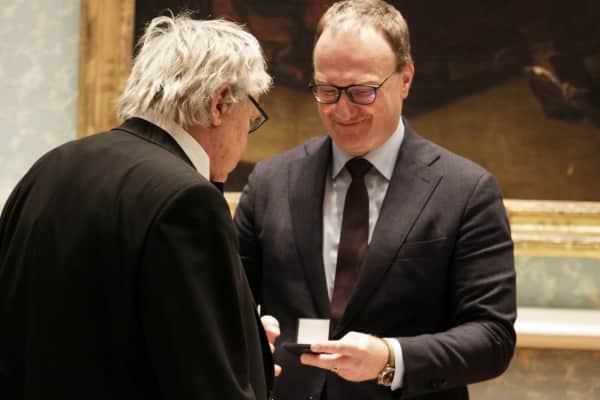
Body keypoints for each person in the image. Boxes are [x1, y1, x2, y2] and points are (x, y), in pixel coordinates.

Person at [233, 1, 516, 399]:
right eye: (327, 91)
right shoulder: (270, 181)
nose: (342, 110)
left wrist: (390, 358)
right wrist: (246, 333)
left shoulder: (466, 191)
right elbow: (228, 301)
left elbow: (492, 337)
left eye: (362, 91)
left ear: (405, 79)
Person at [0, 14, 277, 400]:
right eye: (251, 118)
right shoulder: (189, 201)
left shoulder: (49, 167)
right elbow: (205, 383)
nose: (247, 136)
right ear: (219, 103)